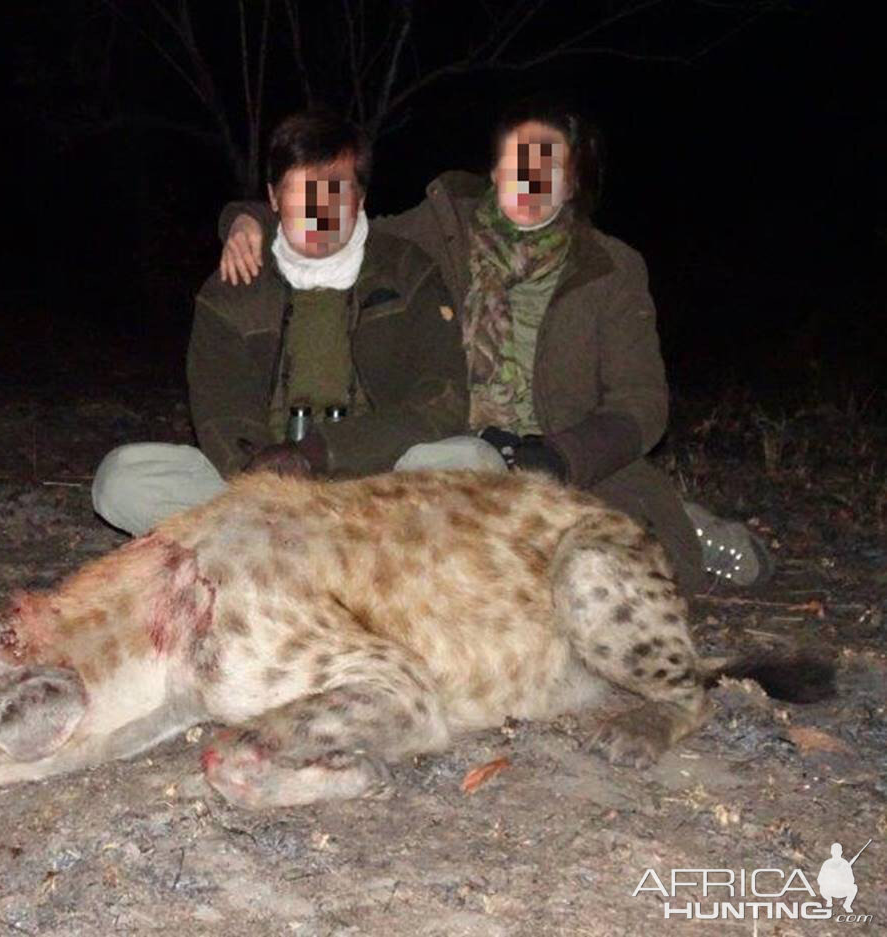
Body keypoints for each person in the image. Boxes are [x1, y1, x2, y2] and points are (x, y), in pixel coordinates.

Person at [217, 97, 771, 595]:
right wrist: (247, 221)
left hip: (566, 461)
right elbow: (336, 223)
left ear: (574, 182)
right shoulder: (441, 230)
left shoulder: (611, 269)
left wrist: (558, 455)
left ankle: (683, 528)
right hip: (450, 448)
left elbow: (641, 406)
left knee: (599, 584)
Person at [92, 109, 484, 537]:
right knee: (122, 477)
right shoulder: (233, 287)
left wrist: (320, 452)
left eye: (336, 191)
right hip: (262, 494)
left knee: (473, 462)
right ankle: (307, 552)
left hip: (380, 487)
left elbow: (441, 400)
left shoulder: (409, 270)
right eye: (302, 193)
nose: (320, 211)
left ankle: (278, 557)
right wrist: (259, 476)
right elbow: (220, 412)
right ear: (274, 199)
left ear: (361, 198)